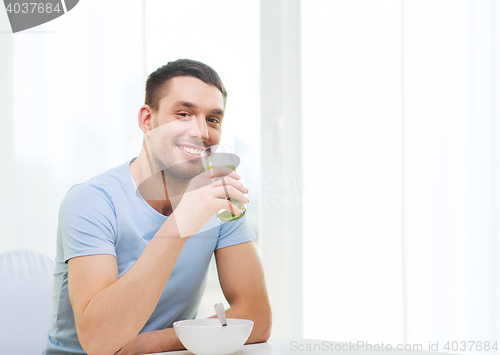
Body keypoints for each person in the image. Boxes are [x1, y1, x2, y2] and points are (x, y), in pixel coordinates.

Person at [44, 59, 272, 355]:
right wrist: (179, 225)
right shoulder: (92, 201)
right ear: (147, 120)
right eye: (183, 114)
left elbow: (257, 317)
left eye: (213, 119)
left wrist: (154, 343)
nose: (202, 131)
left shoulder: (218, 199)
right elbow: (100, 342)